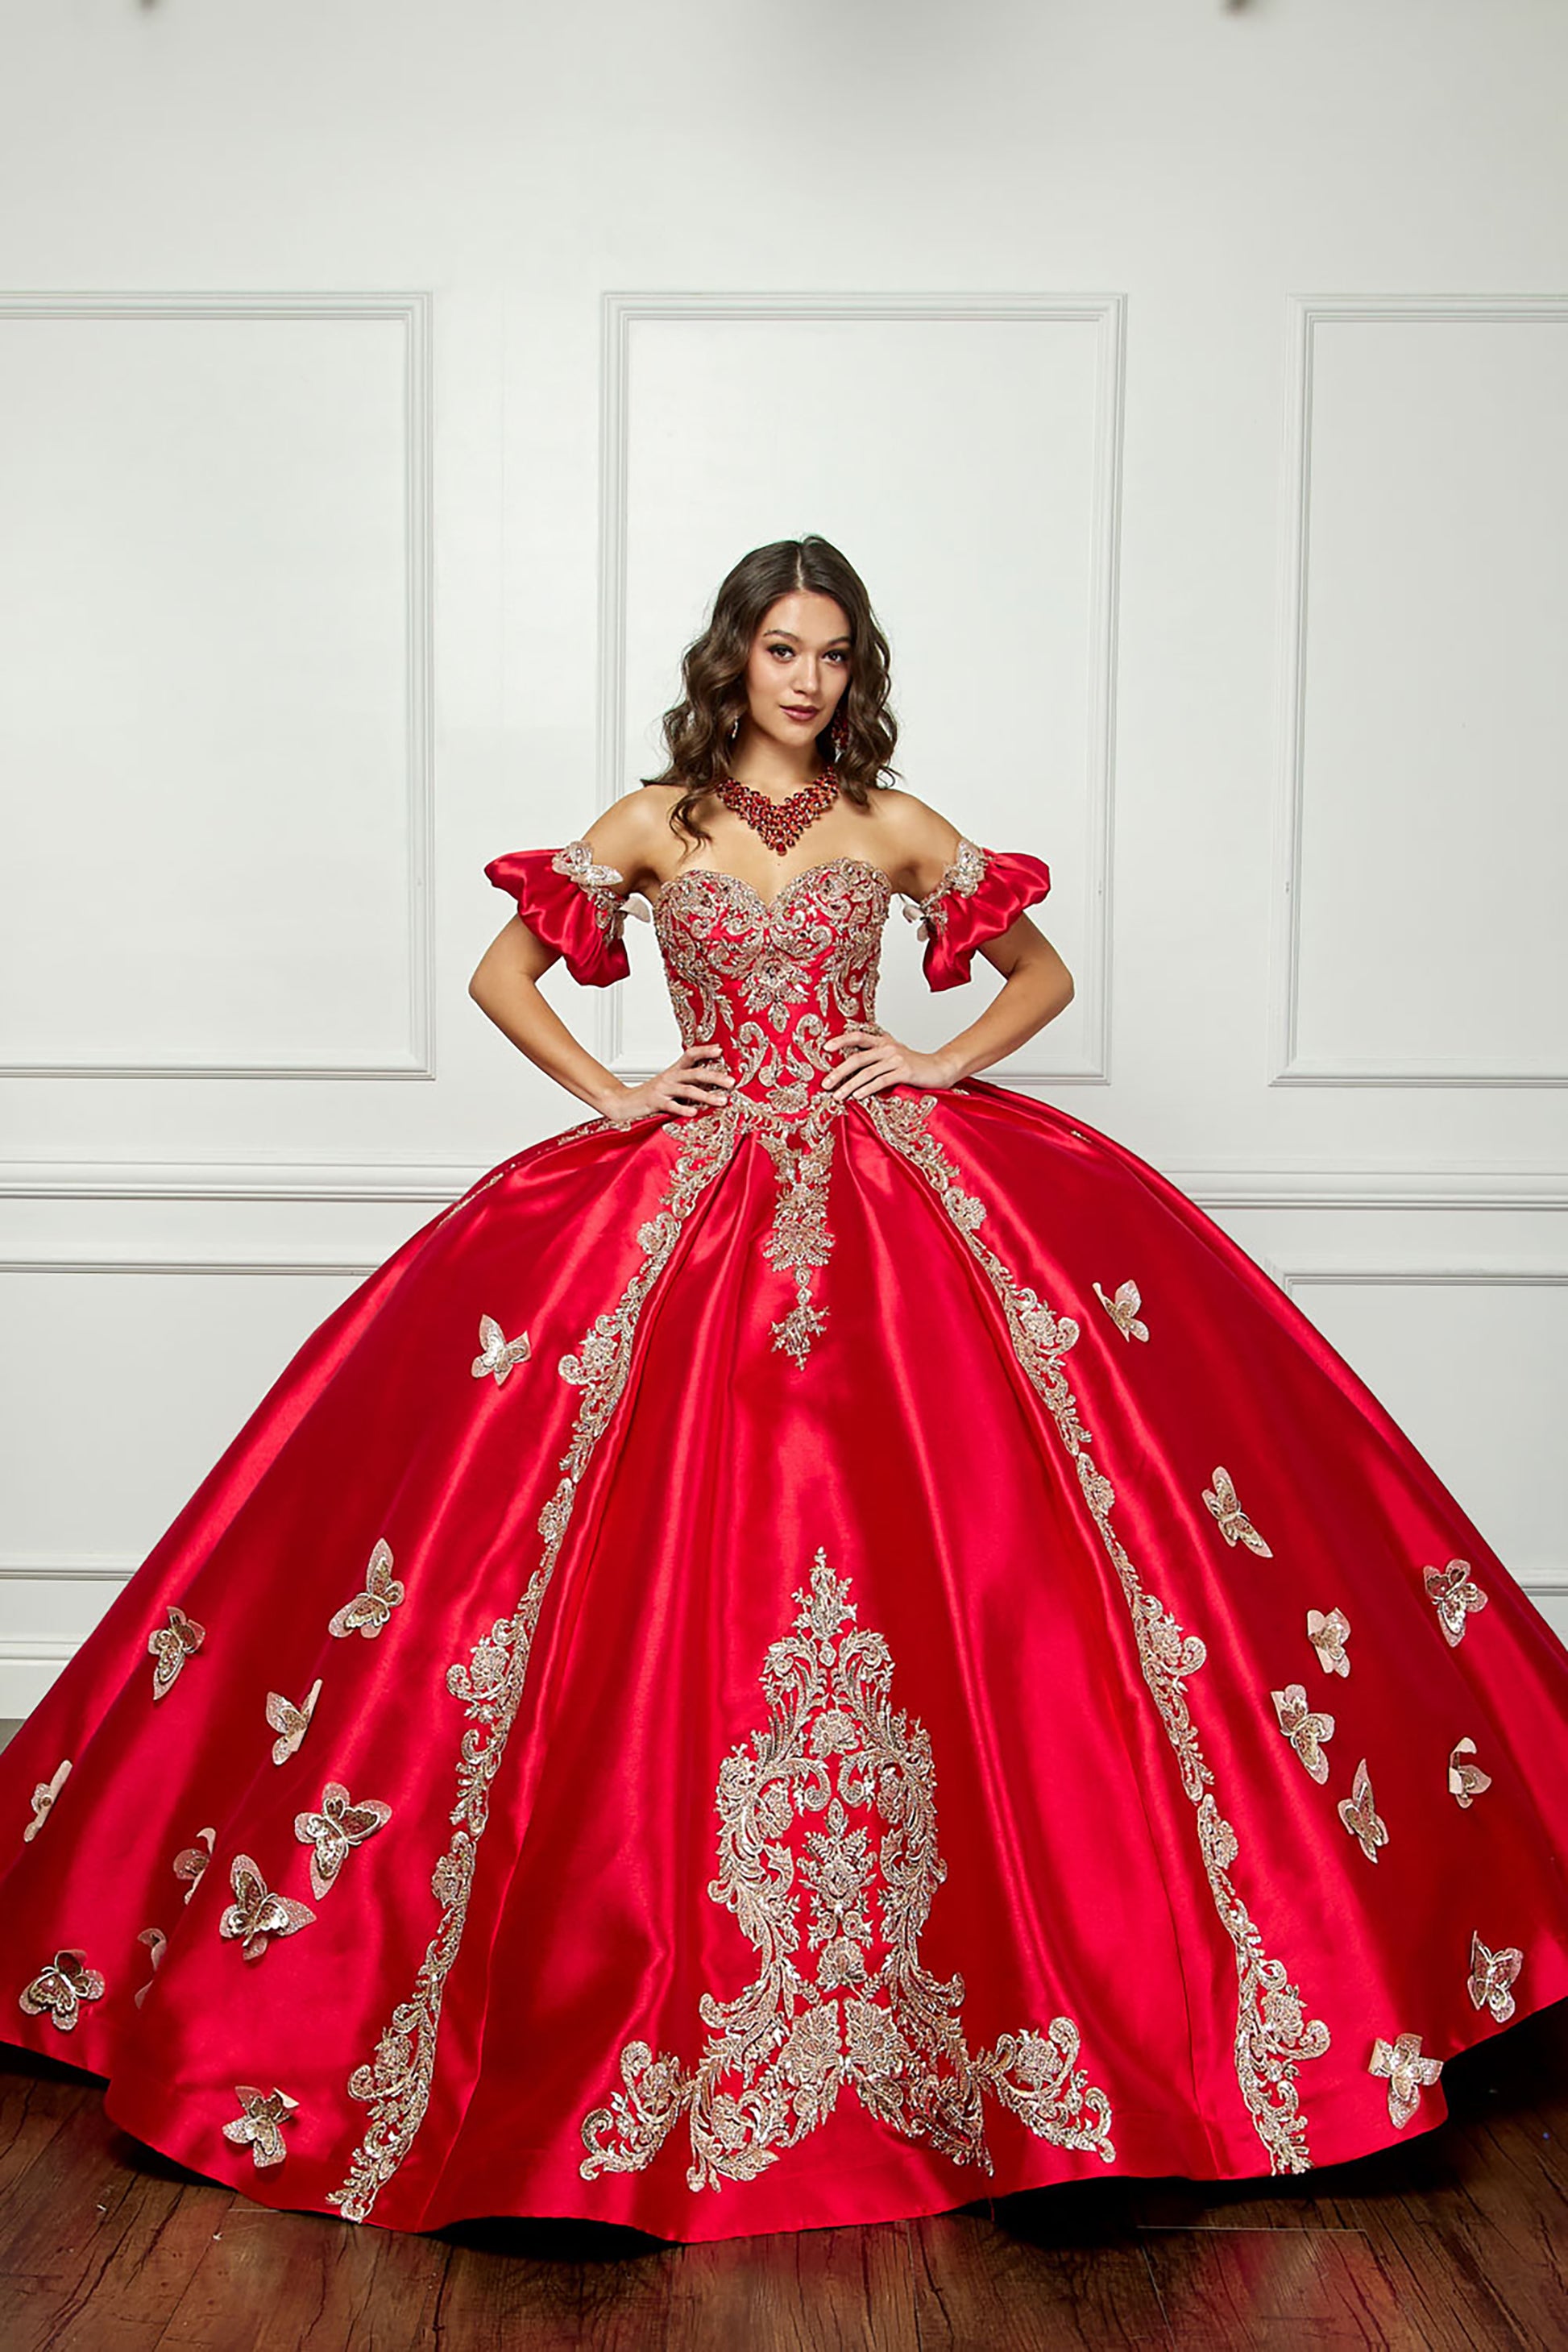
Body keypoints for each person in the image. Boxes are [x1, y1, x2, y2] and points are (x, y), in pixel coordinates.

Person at [3, 534, 1566, 2248]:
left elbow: (1040, 973)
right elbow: (499, 976)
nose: (808, 678)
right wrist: (614, 1093)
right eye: (781, 647)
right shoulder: (653, 821)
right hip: (682, 1189)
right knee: (590, 1557)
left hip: (890, 1190)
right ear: (732, 655)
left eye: (833, 650)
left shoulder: (893, 822)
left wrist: (931, 1060)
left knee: (981, 1540)